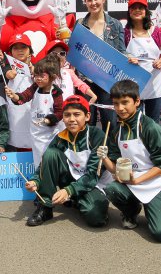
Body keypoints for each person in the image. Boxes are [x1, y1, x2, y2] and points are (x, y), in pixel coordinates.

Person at [98, 79, 161, 243]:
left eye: (125, 102)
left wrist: (137, 180)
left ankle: (159, 209)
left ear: (137, 101)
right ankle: (131, 211)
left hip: (154, 183)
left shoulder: (149, 127)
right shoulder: (117, 129)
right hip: (130, 183)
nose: (120, 108)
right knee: (112, 188)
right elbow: (115, 168)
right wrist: (104, 158)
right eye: (116, 103)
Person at [24, 95, 110, 227]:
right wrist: (35, 181)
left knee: (96, 218)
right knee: (51, 154)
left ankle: (77, 198)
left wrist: (69, 191)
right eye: (67, 115)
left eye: (77, 114)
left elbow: (93, 175)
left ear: (87, 116)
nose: (71, 119)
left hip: (94, 183)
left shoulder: (96, 135)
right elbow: (44, 164)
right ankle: (45, 207)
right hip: (72, 179)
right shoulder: (60, 137)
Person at [5, 54, 64, 165]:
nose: (38, 79)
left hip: (51, 135)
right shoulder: (35, 87)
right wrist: (14, 96)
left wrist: (48, 120)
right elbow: (24, 96)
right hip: (36, 134)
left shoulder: (56, 92)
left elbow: (60, 113)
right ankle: (39, 181)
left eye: (42, 76)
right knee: (38, 162)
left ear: (53, 77)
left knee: (50, 161)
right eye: (36, 75)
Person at [79, 0, 124, 129]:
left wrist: (130, 58)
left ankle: (111, 151)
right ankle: (87, 151)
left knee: (110, 122)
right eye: (89, 0)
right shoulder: (79, 24)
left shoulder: (115, 24)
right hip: (85, 81)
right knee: (86, 122)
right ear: (85, 2)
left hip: (107, 80)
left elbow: (121, 51)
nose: (93, 3)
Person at [124, 0, 161, 121]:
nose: (137, 10)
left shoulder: (156, 31)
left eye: (141, 8)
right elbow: (119, 52)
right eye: (133, 8)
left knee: (153, 123)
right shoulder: (125, 32)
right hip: (132, 83)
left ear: (146, 11)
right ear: (129, 12)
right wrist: (128, 57)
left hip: (154, 83)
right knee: (132, 121)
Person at [4, 34, 34, 151]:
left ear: (30, 51)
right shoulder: (6, 71)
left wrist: (36, 73)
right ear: (10, 52)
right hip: (14, 126)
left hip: (33, 123)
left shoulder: (38, 70)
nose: (20, 50)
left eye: (23, 47)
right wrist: (7, 73)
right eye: (16, 48)